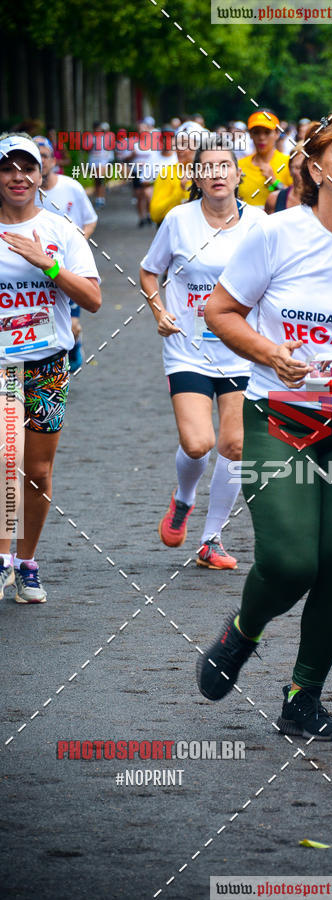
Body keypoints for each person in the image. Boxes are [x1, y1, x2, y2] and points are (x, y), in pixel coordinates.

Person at [196, 110, 332, 741]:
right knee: (293, 562)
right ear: (315, 166)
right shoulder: (275, 235)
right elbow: (221, 310)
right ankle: (243, 632)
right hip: (282, 421)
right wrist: (269, 354)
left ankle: (304, 695)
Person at [140, 139, 265, 568]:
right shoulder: (178, 220)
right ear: (195, 177)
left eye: (224, 166)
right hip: (188, 347)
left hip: (239, 349)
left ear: (238, 174)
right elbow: (149, 270)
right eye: (207, 167)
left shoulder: (261, 224)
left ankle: (211, 540)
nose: (216, 173)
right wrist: (159, 311)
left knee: (235, 446)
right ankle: (184, 498)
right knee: (198, 444)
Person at [0, 133, 101, 603]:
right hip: (2, 367)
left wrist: (48, 265)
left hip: (48, 365)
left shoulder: (61, 230)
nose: (18, 176)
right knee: (6, 458)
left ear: (41, 174)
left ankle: (25, 564)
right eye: (7, 168)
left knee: (37, 471)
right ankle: (2, 559)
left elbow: (94, 300)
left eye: (28, 167)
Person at [33, 136, 98, 371]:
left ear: (53, 160)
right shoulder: (21, 195)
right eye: (35, 157)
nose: (42, 160)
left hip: (67, 269)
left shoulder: (71, 187)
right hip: (34, 271)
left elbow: (90, 220)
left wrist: (74, 247)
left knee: (72, 325)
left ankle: (70, 346)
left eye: (45, 156)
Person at [149, 121, 207, 226]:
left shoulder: (211, 172)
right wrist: (180, 190)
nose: (178, 149)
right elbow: (155, 214)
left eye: (184, 144)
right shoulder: (167, 173)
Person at [238, 110, 292, 208]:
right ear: (250, 134)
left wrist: (275, 183)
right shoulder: (239, 166)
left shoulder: (289, 163)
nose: (261, 137)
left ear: (277, 133)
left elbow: (296, 201)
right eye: (256, 132)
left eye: (267, 132)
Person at [264, 141, 304, 213]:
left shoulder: (324, 200)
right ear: (289, 168)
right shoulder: (274, 199)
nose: (304, 173)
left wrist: (275, 182)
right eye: (298, 167)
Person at [87, 121, 114, 208]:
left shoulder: (105, 137)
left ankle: (101, 198)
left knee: (100, 179)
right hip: (93, 161)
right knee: (96, 180)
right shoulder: (90, 137)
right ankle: (97, 197)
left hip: (103, 161)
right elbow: (86, 149)